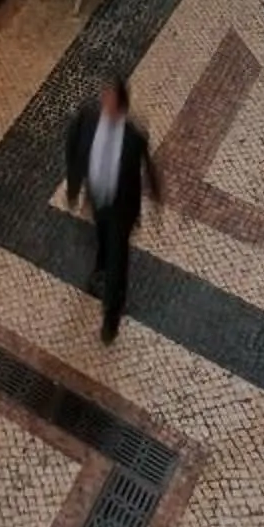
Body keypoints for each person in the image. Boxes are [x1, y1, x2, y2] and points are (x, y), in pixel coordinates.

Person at [64, 73, 161, 344]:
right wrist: (74, 186)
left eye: (109, 98)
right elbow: (73, 146)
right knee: (102, 239)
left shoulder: (134, 136)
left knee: (119, 260)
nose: (102, 100)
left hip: (122, 209)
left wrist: (156, 199)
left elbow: (148, 168)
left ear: (120, 106)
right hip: (98, 200)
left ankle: (112, 317)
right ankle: (100, 267)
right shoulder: (88, 118)